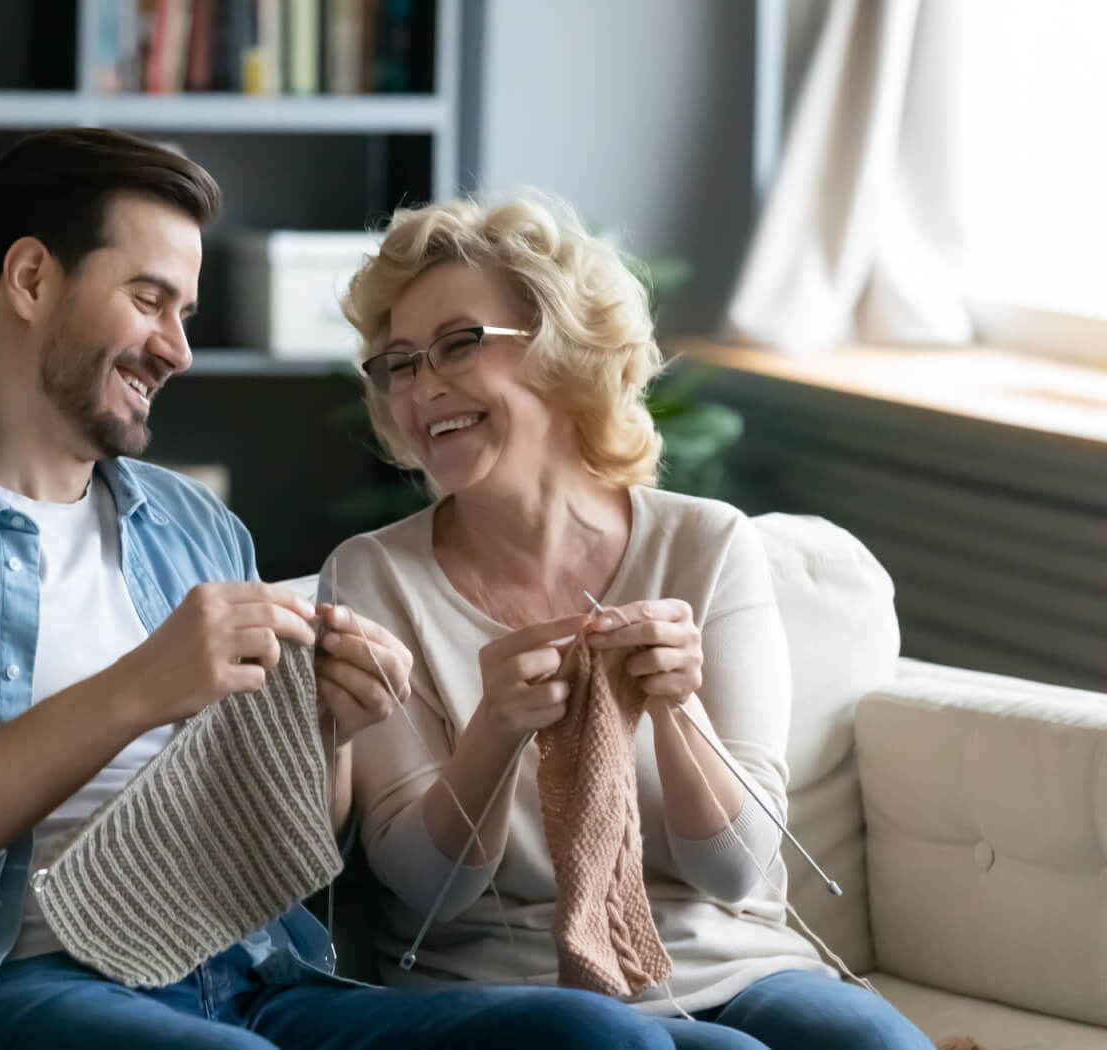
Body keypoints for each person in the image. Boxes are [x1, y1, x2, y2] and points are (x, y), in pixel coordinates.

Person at [0, 129, 674, 1050]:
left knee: (592, 1033)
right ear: (29, 279)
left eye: (183, 313)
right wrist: (144, 685)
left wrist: (327, 729)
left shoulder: (193, 529)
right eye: (150, 301)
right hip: (14, 986)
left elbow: (280, 834)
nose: (177, 349)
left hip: (254, 978)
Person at [322, 192, 936, 1050]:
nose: (424, 389)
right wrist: (494, 731)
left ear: (562, 348)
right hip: (507, 983)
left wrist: (679, 713)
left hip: (735, 958)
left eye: (458, 344)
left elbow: (736, 870)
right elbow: (425, 893)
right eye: (399, 363)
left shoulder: (707, 545)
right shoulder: (373, 576)